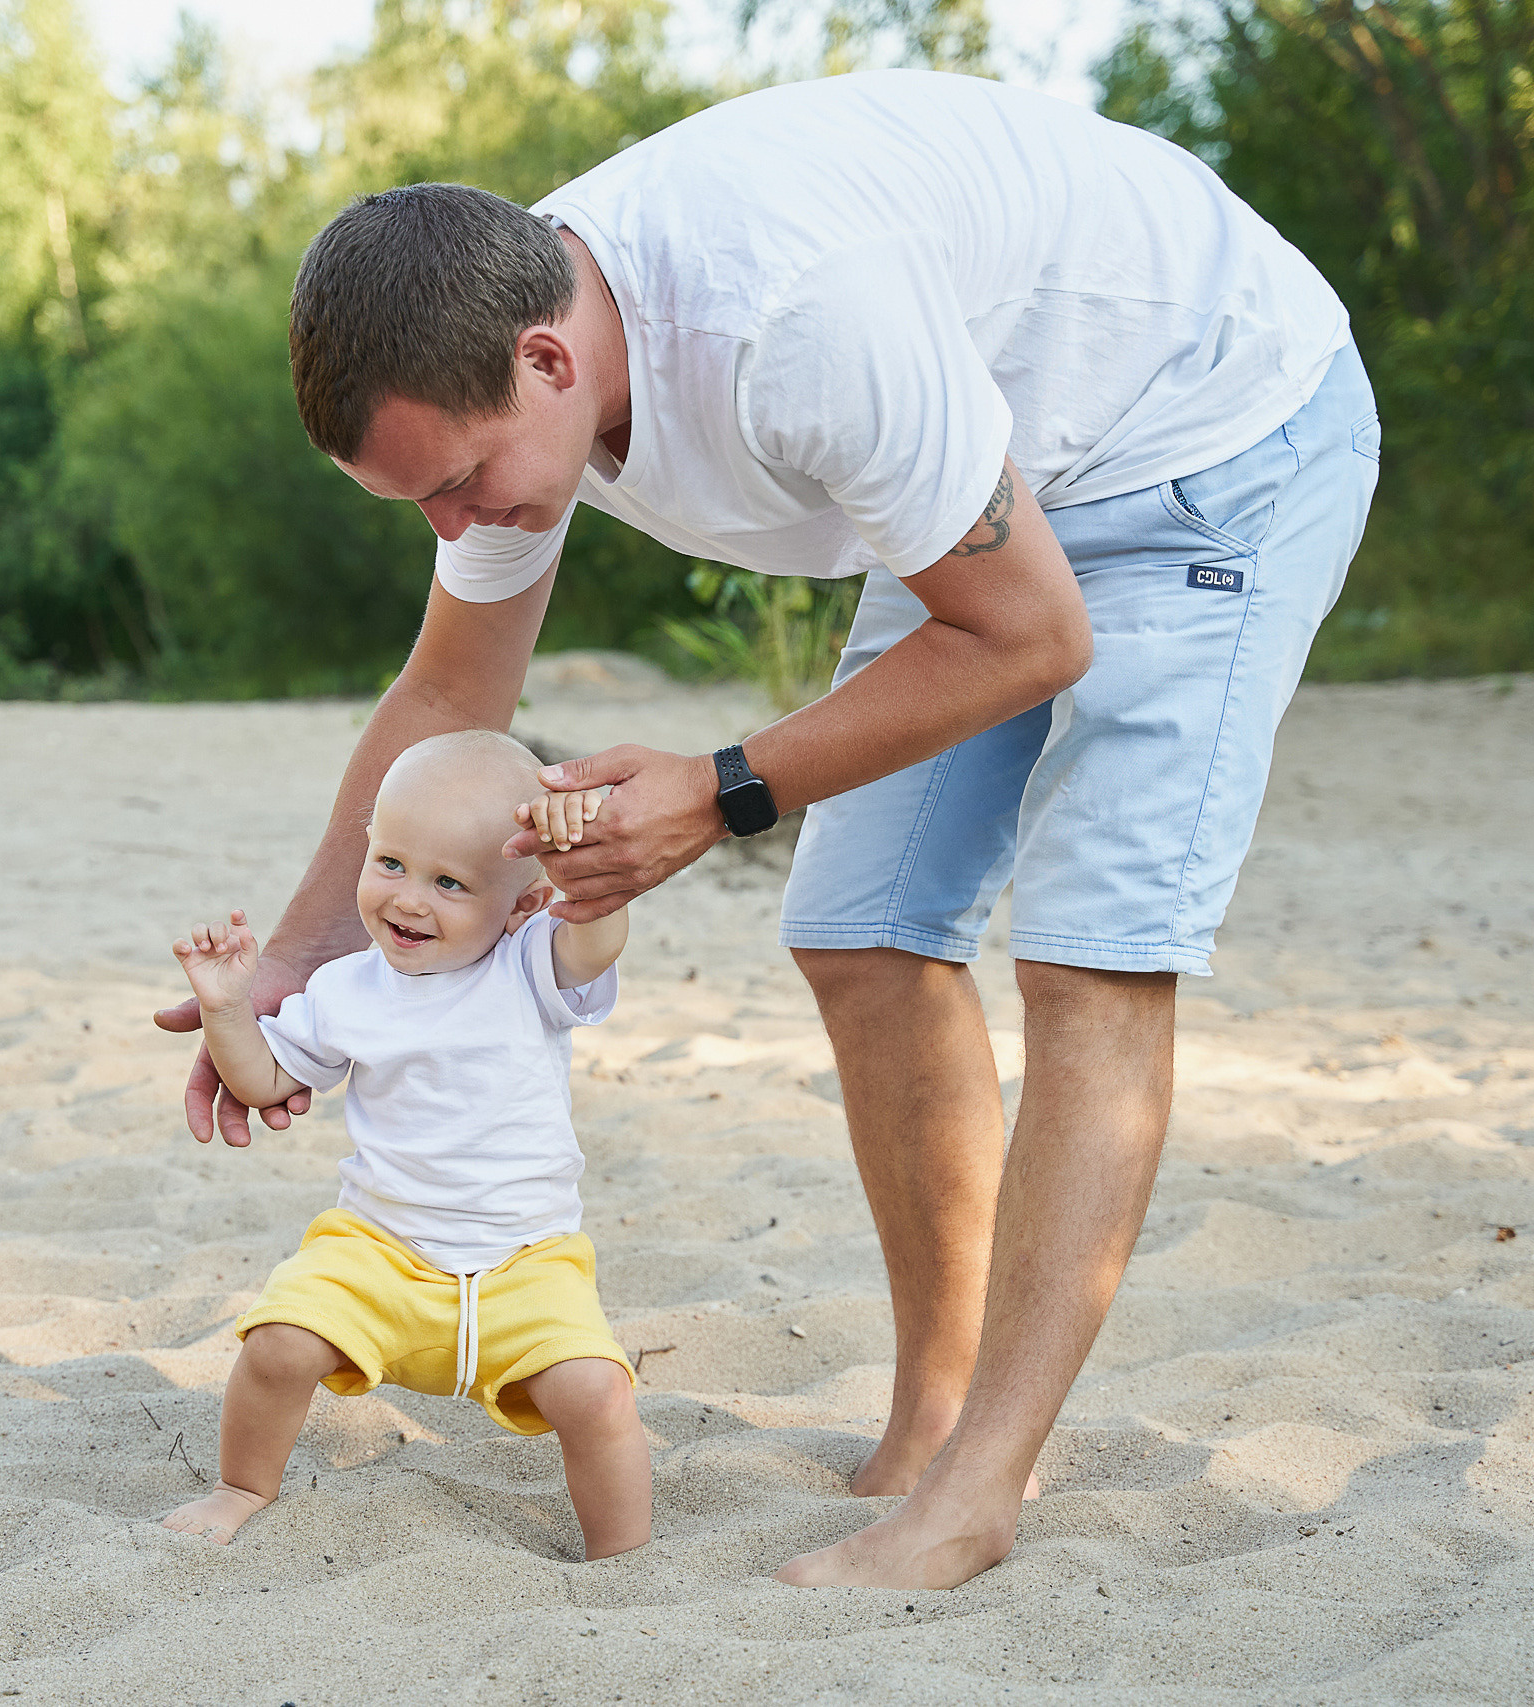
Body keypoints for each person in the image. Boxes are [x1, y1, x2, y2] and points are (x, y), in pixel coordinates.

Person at [154, 68, 1380, 1590]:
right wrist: (290, 956)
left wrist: (720, 787)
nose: (454, 529)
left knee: (1092, 952)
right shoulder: (511, 371)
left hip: (1212, 436)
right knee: (858, 930)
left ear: (549, 356)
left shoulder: (790, 324)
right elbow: (451, 690)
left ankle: (982, 1485)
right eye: (418, 503)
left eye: (463, 483)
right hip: (985, 476)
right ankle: (937, 1406)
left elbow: (1033, 636)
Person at [159, 731, 650, 1559]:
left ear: (524, 901)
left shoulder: (531, 966)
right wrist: (227, 1009)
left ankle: (622, 1555)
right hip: (380, 1249)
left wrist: (581, 868)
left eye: (450, 882)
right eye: (390, 862)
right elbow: (266, 1080)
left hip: (526, 1262)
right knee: (277, 1342)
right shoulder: (347, 985)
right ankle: (240, 1484)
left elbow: (597, 936)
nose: (409, 899)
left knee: (598, 1395)